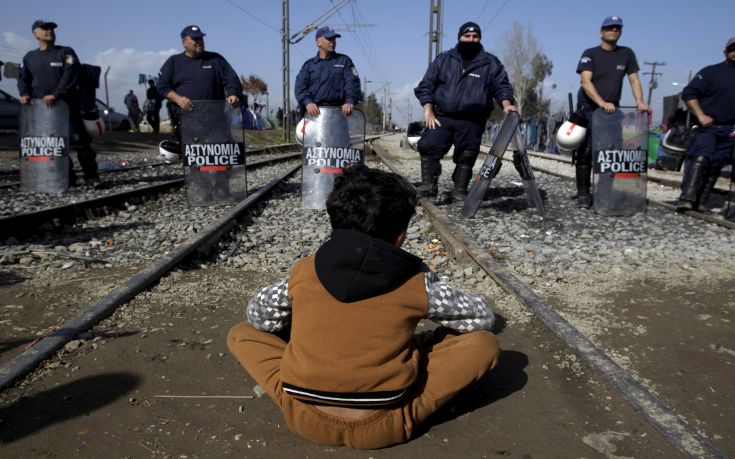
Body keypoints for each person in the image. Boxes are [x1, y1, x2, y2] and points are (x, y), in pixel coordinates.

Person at [228, 165, 500, 449]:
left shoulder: (305, 269)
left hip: (304, 417)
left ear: (334, 221)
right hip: (388, 422)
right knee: (483, 344)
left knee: (241, 333)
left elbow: (258, 316)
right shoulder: (415, 278)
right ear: (400, 236)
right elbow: (481, 317)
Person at [414, 22, 516, 200]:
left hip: (472, 119)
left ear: (480, 38)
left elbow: (501, 86)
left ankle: (460, 189)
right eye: (467, 36)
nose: (471, 40)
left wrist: (506, 104)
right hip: (442, 117)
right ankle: (429, 184)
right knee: (428, 145)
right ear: (459, 37)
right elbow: (426, 85)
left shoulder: (490, 63)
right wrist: (428, 110)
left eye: (475, 37)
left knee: (467, 155)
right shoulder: (444, 59)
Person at [572, 15, 648, 208]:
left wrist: (640, 102)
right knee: (588, 150)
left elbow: (634, 79)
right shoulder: (590, 53)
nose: (613, 31)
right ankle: (583, 194)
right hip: (589, 107)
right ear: (601, 32)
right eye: (609, 28)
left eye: (616, 28)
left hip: (612, 109)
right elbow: (585, 82)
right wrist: (601, 102)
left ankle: (603, 195)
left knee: (611, 153)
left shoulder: (626, 54)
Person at [18, 19, 100, 186]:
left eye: (52, 29)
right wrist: (24, 94)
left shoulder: (66, 52)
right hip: (42, 110)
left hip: (68, 106)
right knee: (54, 145)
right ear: (35, 34)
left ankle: (92, 177)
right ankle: (67, 177)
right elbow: (23, 79)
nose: (50, 31)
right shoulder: (29, 57)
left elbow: (71, 75)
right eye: (45, 29)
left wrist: (56, 94)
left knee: (80, 141)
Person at [675, 37, 735, 213]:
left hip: (730, 129)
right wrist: (700, 115)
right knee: (701, 158)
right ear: (725, 52)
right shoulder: (711, 72)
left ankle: (701, 201)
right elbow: (689, 93)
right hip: (708, 126)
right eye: (733, 49)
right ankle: (687, 198)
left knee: (716, 165)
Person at [157, 25, 241, 144]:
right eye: (195, 39)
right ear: (184, 42)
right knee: (192, 158)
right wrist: (178, 99)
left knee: (216, 158)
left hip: (215, 120)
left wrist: (233, 94)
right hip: (187, 121)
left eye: (201, 39)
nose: (199, 42)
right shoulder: (173, 62)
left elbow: (232, 79)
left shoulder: (216, 59)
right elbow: (162, 86)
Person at [294, 26, 362, 118]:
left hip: (339, 114)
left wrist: (350, 101)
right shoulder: (309, 65)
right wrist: (307, 102)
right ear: (318, 42)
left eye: (334, 39)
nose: (332, 42)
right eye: (329, 39)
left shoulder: (344, 61)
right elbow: (300, 87)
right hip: (314, 115)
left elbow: (352, 83)